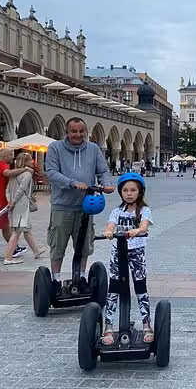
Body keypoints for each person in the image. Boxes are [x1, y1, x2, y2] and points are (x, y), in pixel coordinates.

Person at [45, 117, 114, 296]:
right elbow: (51, 172)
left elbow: (103, 170)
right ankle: (55, 279)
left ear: (86, 132)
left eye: (81, 131)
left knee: (84, 244)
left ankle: (82, 277)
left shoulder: (93, 149)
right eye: (73, 131)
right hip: (62, 205)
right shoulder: (55, 148)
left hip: (86, 206)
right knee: (58, 245)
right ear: (67, 132)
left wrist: (106, 184)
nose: (77, 135)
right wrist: (71, 183)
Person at [101, 173, 153, 346]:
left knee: (140, 287)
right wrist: (109, 231)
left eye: (133, 190)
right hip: (118, 253)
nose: (129, 193)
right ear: (120, 192)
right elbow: (110, 225)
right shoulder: (117, 211)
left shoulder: (144, 210)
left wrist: (137, 230)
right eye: (125, 190)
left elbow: (145, 225)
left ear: (140, 192)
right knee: (114, 288)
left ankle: (146, 324)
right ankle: (108, 325)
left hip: (136, 252)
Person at [4, 152, 46, 264]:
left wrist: (9, 200)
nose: (32, 161)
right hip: (21, 203)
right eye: (30, 160)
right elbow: (22, 189)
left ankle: (36, 251)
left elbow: (7, 190)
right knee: (17, 230)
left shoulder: (13, 174)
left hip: (14, 203)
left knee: (26, 228)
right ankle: (8, 257)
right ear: (26, 161)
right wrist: (13, 201)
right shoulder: (26, 174)